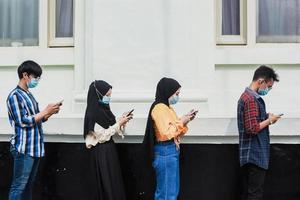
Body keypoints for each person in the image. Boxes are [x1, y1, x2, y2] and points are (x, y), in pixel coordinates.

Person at [7, 60, 61, 200]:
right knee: (19, 186)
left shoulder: (29, 94)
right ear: (25, 75)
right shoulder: (14, 96)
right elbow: (23, 121)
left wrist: (50, 112)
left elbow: (38, 119)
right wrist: (45, 111)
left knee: (28, 186)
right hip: (23, 148)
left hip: (35, 147)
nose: (37, 80)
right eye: (35, 77)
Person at [143, 77, 197, 200]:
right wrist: (181, 122)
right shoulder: (159, 108)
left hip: (170, 150)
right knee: (166, 194)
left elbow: (175, 131)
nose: (177, 97)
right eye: (176, 94)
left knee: (171, 191)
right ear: (168, 91)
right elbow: (166, 132)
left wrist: (185, 121)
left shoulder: (167, 108)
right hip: (165, 151)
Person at [83, 80, 133, 200]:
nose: (108, 98)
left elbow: (110, 126)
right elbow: (96, 137)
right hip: (101, 153)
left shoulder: (104, 110)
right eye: (107, 95)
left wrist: (121, 120)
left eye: (110, 95)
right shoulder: (93, 113)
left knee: (113, 182)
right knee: (106, 184)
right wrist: (118, 124)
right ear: (98, 94)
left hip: (109, 151)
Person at [237, 65, 281, 200]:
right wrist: (270, 121)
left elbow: (253, 119)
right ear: (261, 81)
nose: (268, 90)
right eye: (268, 86)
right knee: (255, 194)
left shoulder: (248, 97)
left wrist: (266, 116)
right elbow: (252, 128)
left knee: (251, 192)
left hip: (251, 154)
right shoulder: (251, 99)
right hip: (254, 154)